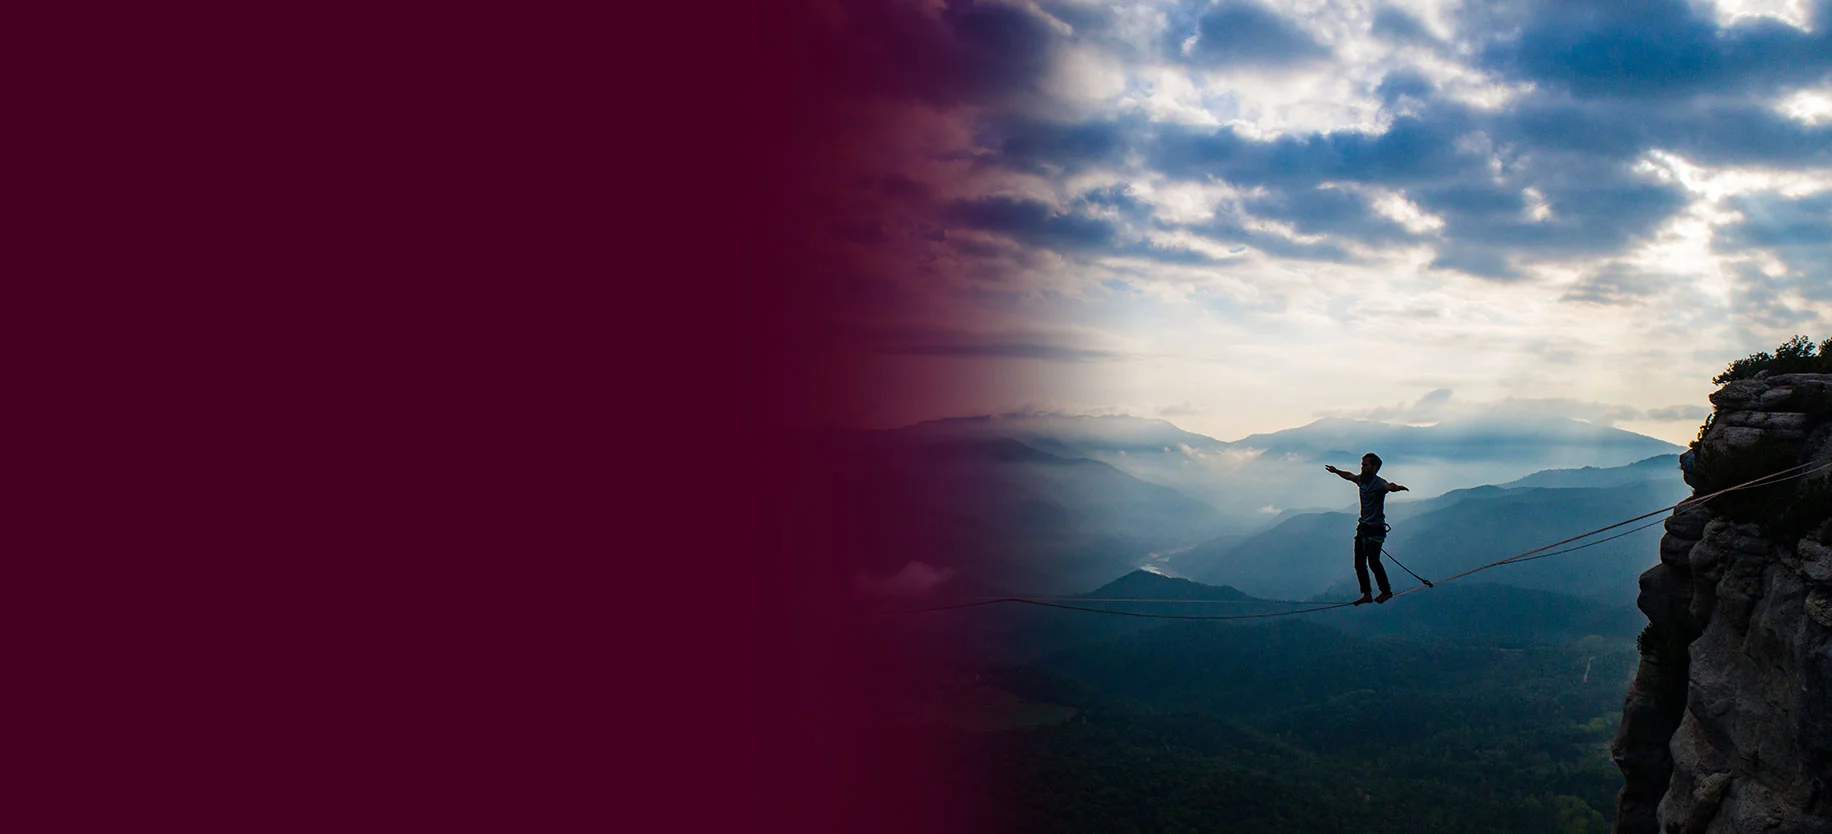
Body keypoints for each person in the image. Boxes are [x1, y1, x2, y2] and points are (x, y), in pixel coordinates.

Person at [1324, 453, 1409, 605]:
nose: (1362, 467)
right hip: (1363, 528)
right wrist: (1336, 471)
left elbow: (1388, 486)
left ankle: (1386, 592)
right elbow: (1349, 476)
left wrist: (1397, 488)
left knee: (1373, 562)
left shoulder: (1378, 483)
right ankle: (1367, 594)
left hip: (1375, 529)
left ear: (1374, 467)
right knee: (1359, 563)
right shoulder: (1361, 480)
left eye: (1366, 465)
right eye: (1362, 464)